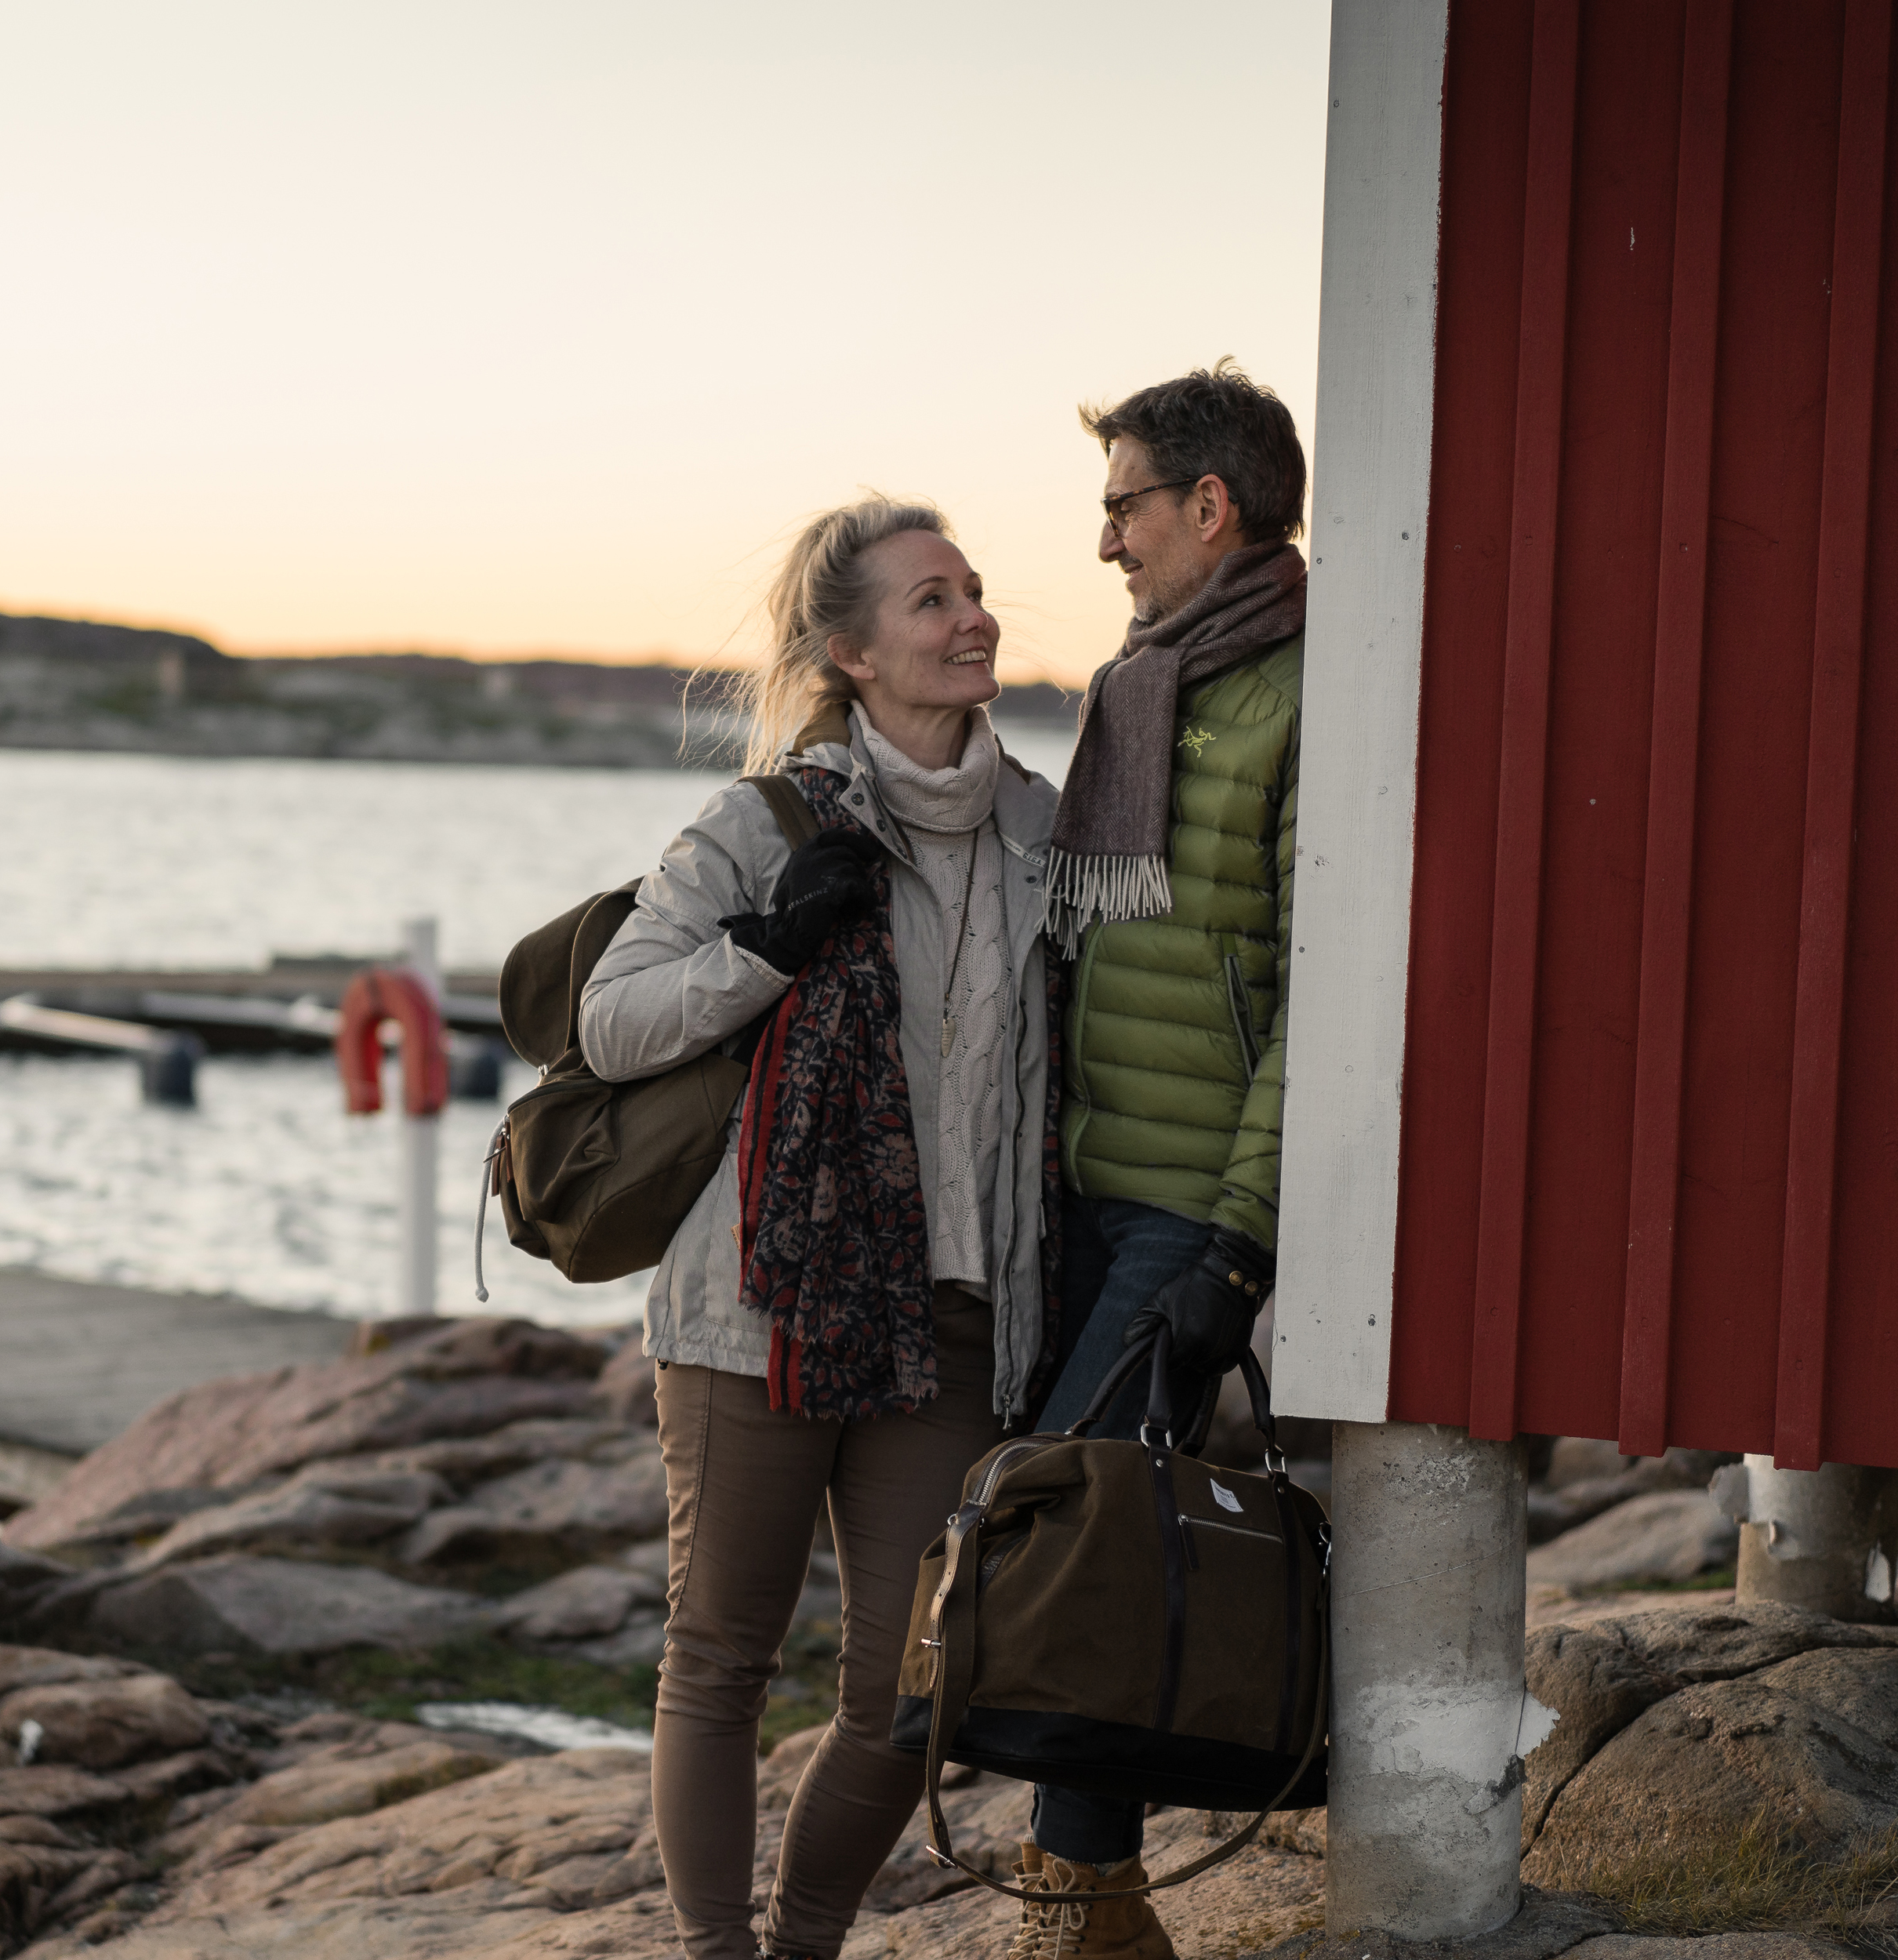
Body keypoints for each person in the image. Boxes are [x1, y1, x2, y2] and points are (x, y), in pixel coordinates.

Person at [581, 496, 1062, 1960]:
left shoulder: (1047, 829)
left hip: (960, 1311)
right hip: (759, 1309)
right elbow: (611, 1023)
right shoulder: (763, 823)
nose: (972, 616)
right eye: (931, 601)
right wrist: (771, 943)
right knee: (721, 1656)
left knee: (914, 1690)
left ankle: (802, 1944)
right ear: (851, 652)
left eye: (974, 591)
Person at [999, 362, 1309, 1959]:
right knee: (1082, 1528)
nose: (1104, 535)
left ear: (1209, 504)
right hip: (1090, 1184)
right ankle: (1097, 1904)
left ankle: (1074, 1907)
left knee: (1083, 1542)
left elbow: (1315, 998)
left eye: (1124, 500)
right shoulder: (1144, 683)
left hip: (1189, 1203)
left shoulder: (1304, 694)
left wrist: (1234, 1247)